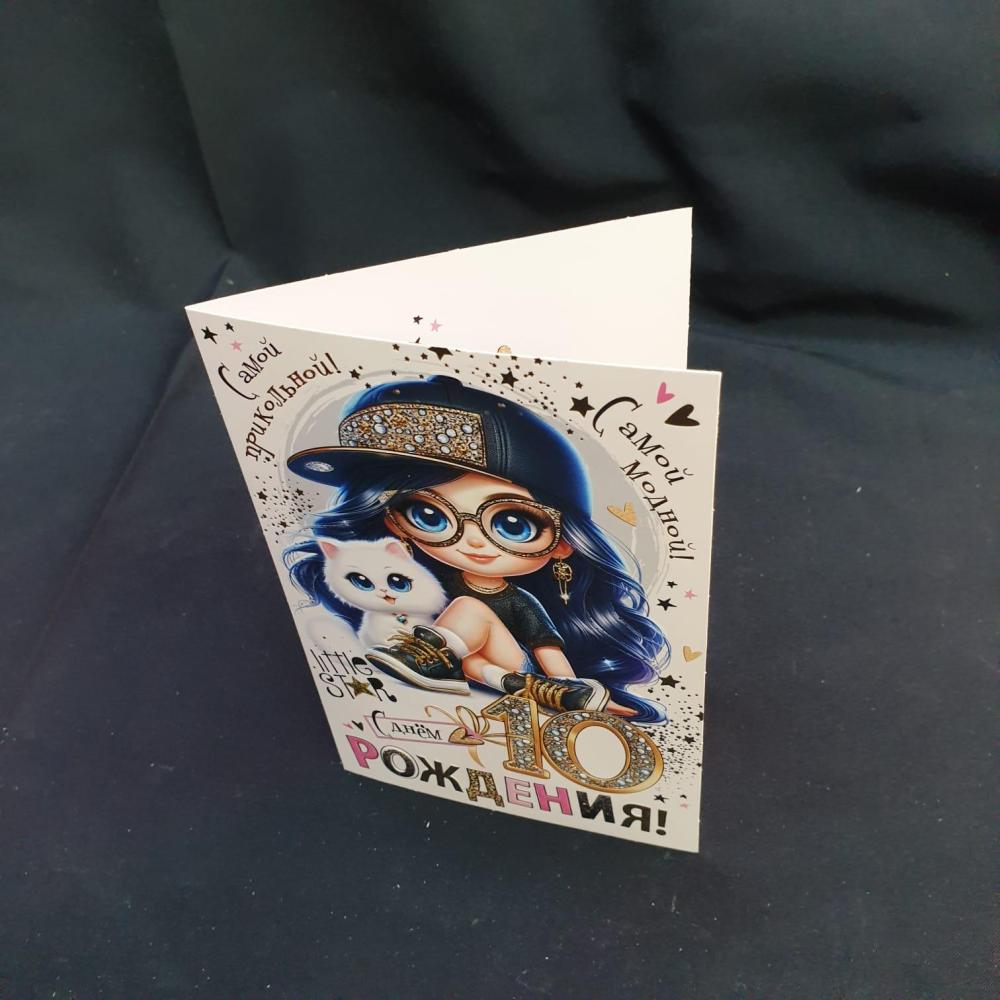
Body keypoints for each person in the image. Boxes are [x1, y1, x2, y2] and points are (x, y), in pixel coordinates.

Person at [285, 375, 669, 723]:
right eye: (429, 516)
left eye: (513, 525)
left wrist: (570, 685)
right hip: (484, 671)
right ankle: (514, 685)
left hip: (511, 657)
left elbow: (546, 647)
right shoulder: (425, 583)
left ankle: (437, 659)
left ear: (563, 544)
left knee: (470, 610)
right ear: (394, 522)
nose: (472, 541)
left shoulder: (519, 602)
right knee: (461, 635)